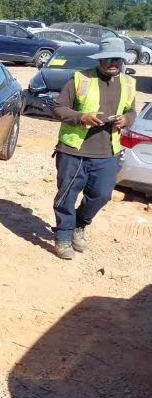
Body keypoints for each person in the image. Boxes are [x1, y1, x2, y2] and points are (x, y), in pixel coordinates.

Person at [51, 37, 136, 260]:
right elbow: (59, 109)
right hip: (74, 150)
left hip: (108, 152)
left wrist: (125, 120)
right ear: (99, 60)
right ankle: (63, 236)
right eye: (108, 59)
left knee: (102, 195)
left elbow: (132, 111)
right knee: (66, 196)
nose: (113, 63)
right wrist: (81, 117)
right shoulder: (81, 79)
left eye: (117, 59)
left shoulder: (128, 83)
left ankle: (79, 224)